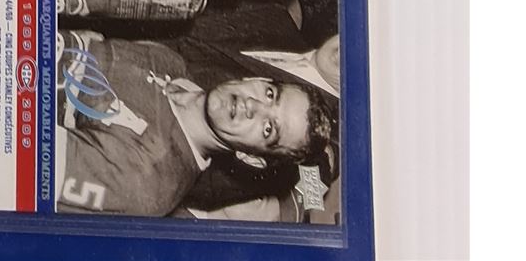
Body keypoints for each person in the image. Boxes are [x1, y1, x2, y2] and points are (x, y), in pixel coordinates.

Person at [55, 32, 334, 217]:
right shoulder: (169, 61)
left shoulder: (145, 179)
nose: (254, 106)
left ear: (250, 157)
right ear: (257, 80)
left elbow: (28, 163)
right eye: (270, 94)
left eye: (268, 129)